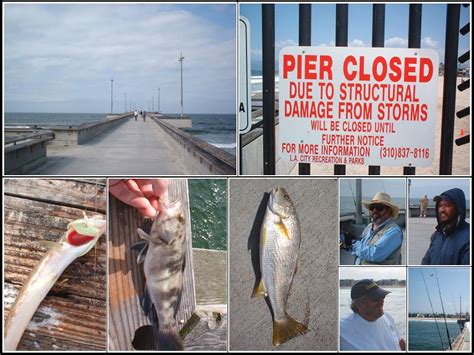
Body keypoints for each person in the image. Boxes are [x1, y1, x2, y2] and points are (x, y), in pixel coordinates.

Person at [340, 279, 406, 351]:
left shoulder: (387, 317)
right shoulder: (341, 330)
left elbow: (400, 342)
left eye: (382, 296)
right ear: (359, 304)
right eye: (376, 298)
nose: (382, 301)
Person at [352, 192, 403, 265]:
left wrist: (353, 244)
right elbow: (362, 244)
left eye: (379, 207)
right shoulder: (369, 226)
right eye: (372, 207)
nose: (374, 210)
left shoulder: (394, 231)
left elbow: (375, 254)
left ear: (389, 211)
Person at [421, 188, 469, 265]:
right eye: (440, 205)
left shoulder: (467, 237)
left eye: (447, 205)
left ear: (458, 208)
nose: (442, 210)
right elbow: (426, 261)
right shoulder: (437, 234)